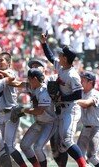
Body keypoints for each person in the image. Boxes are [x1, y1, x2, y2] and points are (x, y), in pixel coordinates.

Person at [0, 20, 27, 167]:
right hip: (1, 114)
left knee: (8, 146)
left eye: (1, 60)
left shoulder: (9, 72)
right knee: (0, 147)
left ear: (8, 63)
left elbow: (10, 78)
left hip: (11, 113)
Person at [40, 33, 86, 167]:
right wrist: (44, 43)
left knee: (67, 140)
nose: (58, 56)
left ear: (65, 58)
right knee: (61, 146)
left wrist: (61, 97)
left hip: (71, 110)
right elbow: (49, 56)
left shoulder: (73, 75)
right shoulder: (61, 67)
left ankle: (83, 165)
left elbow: (78, 94)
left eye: (61, 55)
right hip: (62, 109)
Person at [12, 68, 57, 167]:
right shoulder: (33, 86)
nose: (28, 81)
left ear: (35, 79)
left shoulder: (44, 91)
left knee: (37, 147)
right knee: (24, 145)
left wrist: (23, 110)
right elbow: (18, 84)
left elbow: (39, 111)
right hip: (39, 122)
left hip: (49, 123)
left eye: (29, 79)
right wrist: (4, 80)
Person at [76, 71, 99, 167]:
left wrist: (74, 100)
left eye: (83, 80)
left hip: (95, 128)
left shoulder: (96, 94)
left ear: (90, 82)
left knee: (91, 156)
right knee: (79, 155)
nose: (81, 82)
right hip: (85, 128)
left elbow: (86, 104)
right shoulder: (81, 93)